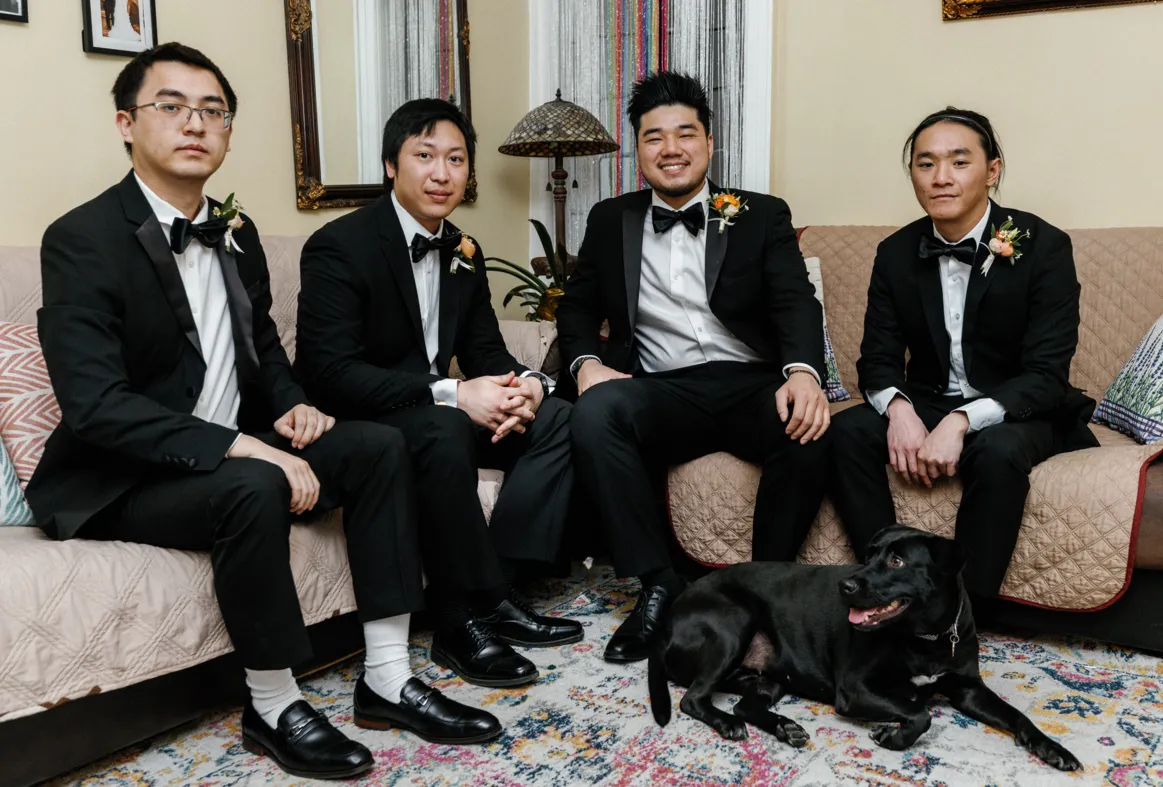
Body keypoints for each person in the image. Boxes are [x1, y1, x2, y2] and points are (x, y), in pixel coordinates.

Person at [27, 43, 500, 781]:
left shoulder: (235, 232)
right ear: (125, 123)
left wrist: (294, 409)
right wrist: (247, 449)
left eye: (213, 111)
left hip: (236, 447)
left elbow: (264, 354)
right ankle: (273, 703)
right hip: (123, 477)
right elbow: (97, 406)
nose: (196, 123)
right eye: (172, 107)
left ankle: (385, 674)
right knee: (256, 485)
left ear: (228, 132)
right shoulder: (80, 240)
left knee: (376, 447)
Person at [296, 98, 582, 690]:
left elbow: (486, 354)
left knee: (557, 418)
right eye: (424, 156)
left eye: (455, 159)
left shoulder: (464, 251)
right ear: (390, 166)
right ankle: (458, 621)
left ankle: (499, 588)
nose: (441, 173)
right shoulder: (338, 247)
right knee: (447, 426)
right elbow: (329, 373)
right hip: (362, 422)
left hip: (435, 419)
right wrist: (452, 392)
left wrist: (524, 385)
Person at [557, 72, 833, 663]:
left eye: (685, 134)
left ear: (709, 144)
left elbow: (793, 302)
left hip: (751, 384)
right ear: (639, 151)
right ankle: (658, 586)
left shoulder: (760, 214)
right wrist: (584, 365)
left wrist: (804, 373)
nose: (671, 148)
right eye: (654, 137)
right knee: (596, 410)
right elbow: (576, 308)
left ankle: (762, 591)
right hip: (662, 390)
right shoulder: (611, 220)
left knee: (809, 428)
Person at [828, 107, 1099, 601]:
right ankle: (888, 587)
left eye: (959, 162)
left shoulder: (1044, 246)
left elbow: (1046, 373)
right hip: (929, 396)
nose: (941, 178)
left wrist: (959, 422)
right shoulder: (895, 252)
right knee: (846, 432)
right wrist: (900, 410)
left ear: (992, 171)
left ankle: (963, 612)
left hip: (1021, 407)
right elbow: (878, 358)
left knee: (995, 453)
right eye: (925, 164)